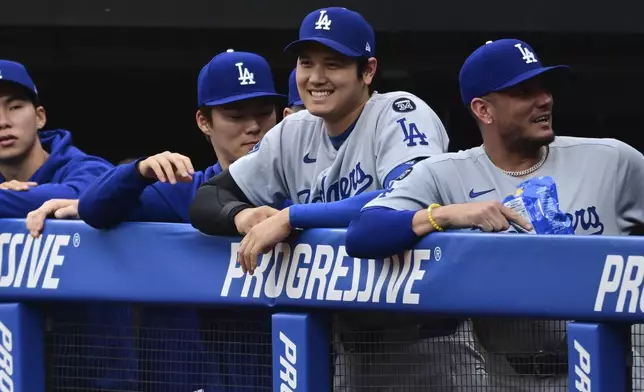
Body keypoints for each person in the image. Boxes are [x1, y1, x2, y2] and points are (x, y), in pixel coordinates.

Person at [189, 7, 483, 391]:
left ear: (368, 71)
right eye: (306, 62)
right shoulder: (293, 131)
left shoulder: (400, 112)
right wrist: (242, 216)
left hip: (428, 342)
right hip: (351, 347)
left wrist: (292, 216)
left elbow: (406, 199)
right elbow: (208, 198)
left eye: (334, 64)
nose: (316, 77)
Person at [346, 38, 644, 390]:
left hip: (605, 369)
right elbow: (362, 233)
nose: (543, 99)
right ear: (483, 110)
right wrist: (447, 215)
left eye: (543, 88)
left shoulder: (612, 160)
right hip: (507, 377)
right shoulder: (446, 173)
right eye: (523, 92)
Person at [27, 50, 284, 392]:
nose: (253, 127)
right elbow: (95, 209)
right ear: (203, 122)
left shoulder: (302, 186)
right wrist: (137, 172)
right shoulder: (181, 190)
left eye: (263, 114)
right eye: (235, 115)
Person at [0, 60, 112, 217]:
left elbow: (93, 195)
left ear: (40, 117)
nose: (3, 122)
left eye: (15, 107)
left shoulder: (88, 167)